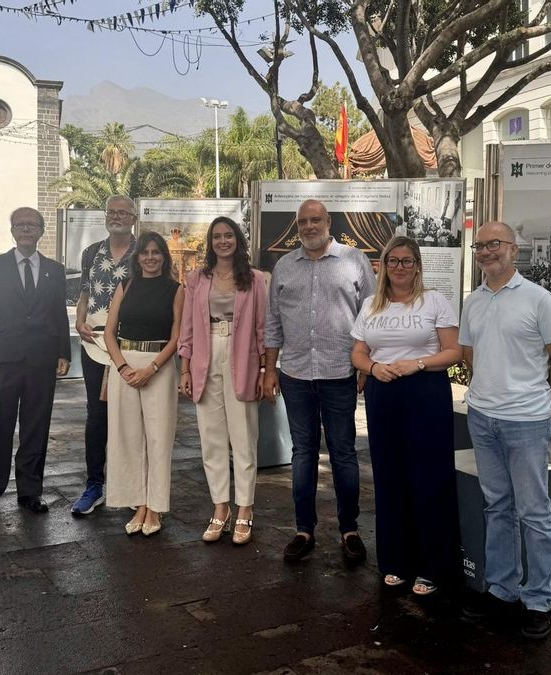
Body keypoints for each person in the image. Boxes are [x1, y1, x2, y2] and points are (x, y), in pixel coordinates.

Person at [459, 221, 551, 640]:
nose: (487, 252)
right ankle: (502, 589)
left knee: (534, 511)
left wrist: (542, 399)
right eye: (481, 246)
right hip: (483, 418)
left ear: (513, 249)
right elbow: (471, 353)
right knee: (497, 508)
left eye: (495, 244)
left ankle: (540, 597)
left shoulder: (538, 299)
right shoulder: (473, 301)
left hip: (526, 422)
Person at [262, 199, 376, 563]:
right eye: (303, 222)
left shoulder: (354, 261)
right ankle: (303, 529)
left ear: (329, 222)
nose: (309, 227)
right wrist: (269, 369)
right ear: (298, 227)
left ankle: (349, 529)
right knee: (302, 454)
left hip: (339, 375)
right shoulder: (284, 266)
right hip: (295, 375)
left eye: (316, 220)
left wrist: (365, 365)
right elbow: (273, 323)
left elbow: (370, 316)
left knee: (343, 454)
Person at [349, 237, 462, 596]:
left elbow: (454, 352)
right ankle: (395, 561)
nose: (400, 267)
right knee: (389, 477)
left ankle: (432, 566)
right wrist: (372, 367)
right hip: (384, 394)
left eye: (407, 261)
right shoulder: (371, 305)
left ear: (418, 266)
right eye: (393, 261)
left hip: (425, 391)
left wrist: (417, 363)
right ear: (383, 266)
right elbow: (358, 351)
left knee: (430, 478)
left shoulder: (435, 301)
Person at [0, 207, 70, 518]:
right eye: (20, 225)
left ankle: (30, 491)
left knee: (36, 426)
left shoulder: (55, 269)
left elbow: (58, 316)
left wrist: (64, 353)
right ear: (12, 231)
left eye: (32, 225)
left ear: (41, 231)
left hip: (42, 359)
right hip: (4, 359)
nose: (26, 229)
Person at [178, 217, 268, 545]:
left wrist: (262, 370)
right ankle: (220, 507)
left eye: (228, 235)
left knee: (244, 437)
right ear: (211, 243)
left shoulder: (256, 279)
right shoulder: (197, 279)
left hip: (242, 355)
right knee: (211, 438)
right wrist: (185, 369)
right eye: (217, 236)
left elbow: (262, 328)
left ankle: (245, 509)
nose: (223, 241)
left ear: (237, 240)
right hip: (205, 354)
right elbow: (187, 328)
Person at [103, 231, 184, 536]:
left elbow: (177, 336)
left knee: (158, 438)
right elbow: (110, 332)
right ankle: (137, 502)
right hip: (125, 367)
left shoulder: (176, 290)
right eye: (145, 253)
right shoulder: (126, 285)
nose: (151, 258)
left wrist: (151, 368)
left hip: (158, 368)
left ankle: (155, 506)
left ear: (164, 257)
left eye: (156, 253)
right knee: (128, 437)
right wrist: (122, 366)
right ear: (137, 258)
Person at [71, 195, 138, 516]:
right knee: (97, 415)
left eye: (123, 212)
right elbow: (85, 291)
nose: (117, 217)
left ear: (134, 218)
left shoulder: (145, 251)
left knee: (131, 416)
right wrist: (78, 318)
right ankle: (94, 485)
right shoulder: (91, 252)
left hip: (131, 346)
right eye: (112, 212)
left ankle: (133, 488)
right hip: (94, 345)